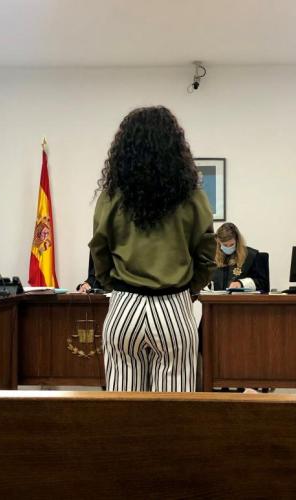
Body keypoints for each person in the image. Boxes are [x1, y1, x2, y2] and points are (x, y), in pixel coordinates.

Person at [89, 105, 216, 392]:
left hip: (124, 306)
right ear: (175, 147)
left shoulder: (112, 196)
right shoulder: (192, 196)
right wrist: (193, 289)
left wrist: (112, 285)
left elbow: (99, 248)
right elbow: (207, 253)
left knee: (122, 407)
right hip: (173, 307)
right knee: (174, 410)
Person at [212, 222, 269, 292]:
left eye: (231, 244)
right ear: (218, 242)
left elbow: (262, 283)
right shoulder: (211, 256)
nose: (228, 247)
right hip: (216, 298)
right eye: (225, 245)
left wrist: (241, 283)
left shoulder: (251, 256)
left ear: (237, 241)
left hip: (243, 298)